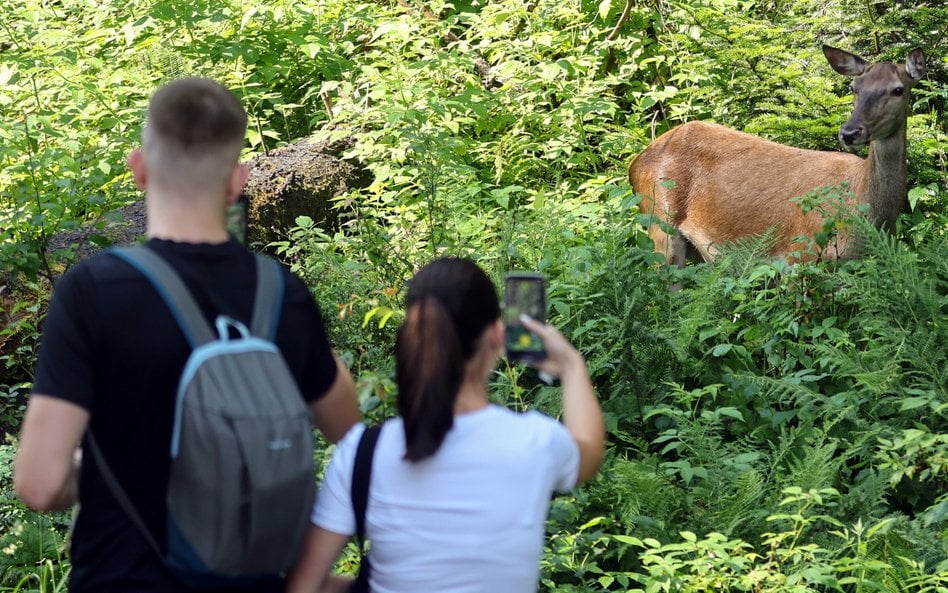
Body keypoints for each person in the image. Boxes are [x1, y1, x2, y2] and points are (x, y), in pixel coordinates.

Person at [13, 77, 360, 593]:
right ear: (238, 180)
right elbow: (354, 442)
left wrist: (103, 467)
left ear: (139, 169)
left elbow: (40, 486)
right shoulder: (281, 292)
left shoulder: (95, 289)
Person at [287, 257, 605, 593]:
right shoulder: (535, 442)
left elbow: (305, 586)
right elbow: (589, 451)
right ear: (497, 336)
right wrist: (571, 367)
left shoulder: (362, 452)